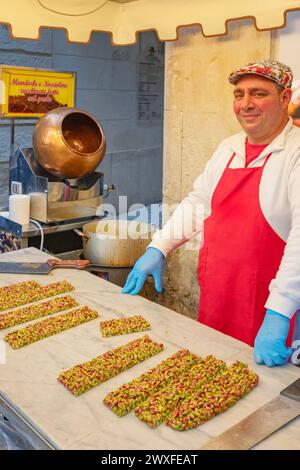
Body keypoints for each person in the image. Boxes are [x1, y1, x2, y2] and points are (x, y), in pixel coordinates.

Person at [122, 59, 300, 368]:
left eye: (258, 93)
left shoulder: (295, 153)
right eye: (239, 94)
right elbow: (197, 203)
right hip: (219, 293)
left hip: (270, 303)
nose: (246, 104)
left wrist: (280, 311)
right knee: (213, 380)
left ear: (285, 98)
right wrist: (159, 247)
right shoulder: (229, 148)